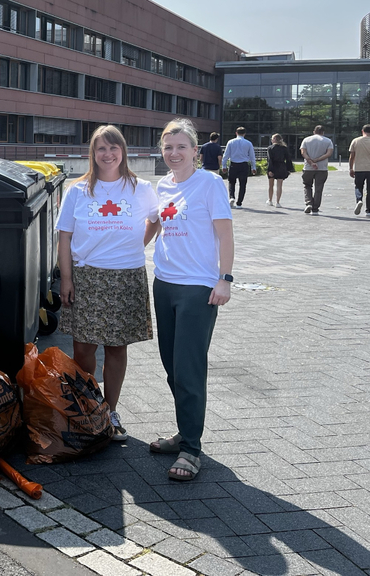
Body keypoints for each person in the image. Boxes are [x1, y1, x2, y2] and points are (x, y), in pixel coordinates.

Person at [55, 125, 160, 442]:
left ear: (123, 151)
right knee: (83, 347)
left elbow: (155, 219)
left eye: (114, 148)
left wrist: (137, 246)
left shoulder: (140, 188)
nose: (108, 154)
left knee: (116, 347)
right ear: (93, 153)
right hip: (87, 276)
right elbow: (64, 237)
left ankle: (110, 410)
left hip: (125, 277)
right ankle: (89, 407)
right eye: (101, 148)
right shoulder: (78, 191)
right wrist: (67, 278)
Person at [146, 118, 234, 482]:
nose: (174, 153)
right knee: (171, 366)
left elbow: (225, 236)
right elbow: (153, 225)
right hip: (163, 283)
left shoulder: (210, 183)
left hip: (198, 288)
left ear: (196, 151)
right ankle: (185, 431)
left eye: (181, 146)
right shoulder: (162, 185)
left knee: (189, 368)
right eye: (168, 147)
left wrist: (224, 279)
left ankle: (191, 449)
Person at [349, 124, 370, 218]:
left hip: (359, 168)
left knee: (358, 187)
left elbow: (352, 157)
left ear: (362, 131)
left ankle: (359, 200)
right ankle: (368, 211)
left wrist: (351, 168)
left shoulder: (355, 141)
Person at [300, 125, 334, 215]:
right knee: (319, 188)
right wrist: (317, 160)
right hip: (322, 168)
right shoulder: (328, 141)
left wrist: (311, 162)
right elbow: (329, 153)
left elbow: (303, 152)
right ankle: (315, 208)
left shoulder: (306, 140)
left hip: (308, 168)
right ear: (323, 132)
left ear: (314, 131)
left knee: (307, 185)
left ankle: (308, 203)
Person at [220, 126, 256, 207]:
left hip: (233, 164)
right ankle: (239, 203)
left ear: (236, 133)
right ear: (244, 134)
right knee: (243, 184)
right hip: (244, 165)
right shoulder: (248, 143)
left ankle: (232, 197)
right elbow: (252, 157)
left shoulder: (230, 142)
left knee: (231, 182)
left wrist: (224, 165)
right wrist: (254, 168)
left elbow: (226, 155)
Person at [265, 134, 293, 208]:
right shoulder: (284, 148)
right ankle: (277, 202)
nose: (271, 140)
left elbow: (269, 160)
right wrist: (289, 169)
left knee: (271, 185)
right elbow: (288, 159)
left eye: (272, 138)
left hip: (273, 166)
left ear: (274, 139)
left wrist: (269, 169)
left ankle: (270, 200)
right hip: (281, 167)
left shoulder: (270, 148)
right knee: (279, 185)